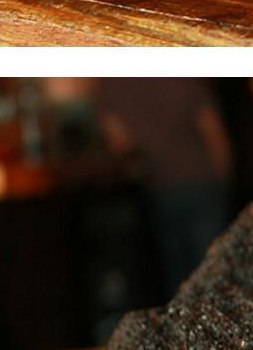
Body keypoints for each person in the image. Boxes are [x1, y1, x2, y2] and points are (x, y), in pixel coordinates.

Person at [95, 78, 232, 298]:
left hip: (163, 185)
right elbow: (211, 126)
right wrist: (225, 178)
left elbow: (118, 142)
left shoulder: (111, 82)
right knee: (215, 274)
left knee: (179, 278)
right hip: (201, 181)